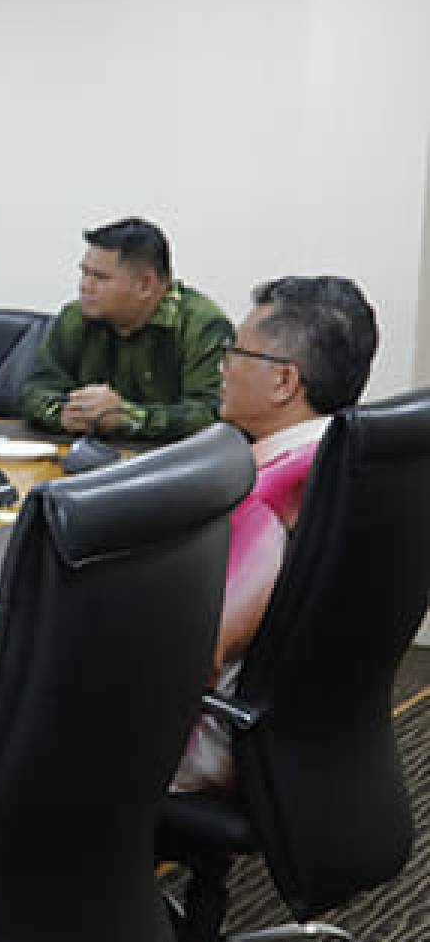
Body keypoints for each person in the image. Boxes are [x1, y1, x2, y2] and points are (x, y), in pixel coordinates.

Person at [171, 276, 377, 793]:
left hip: (212, 745)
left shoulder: (270, 493)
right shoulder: (346, 459)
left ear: (285, 381)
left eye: (235, 351)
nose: (223, 365)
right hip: (316, 737)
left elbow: (196, 655)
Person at [21, 217, 231, 441]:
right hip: (90, 455)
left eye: (100, 277)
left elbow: (214, 413)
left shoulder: (202, 325)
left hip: (173, 462)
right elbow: (36, 388)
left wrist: (128, 417)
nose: (85, 286)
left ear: (145, 284)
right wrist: (63, 414)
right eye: (85, 273)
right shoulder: (76, 317)